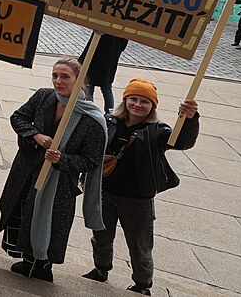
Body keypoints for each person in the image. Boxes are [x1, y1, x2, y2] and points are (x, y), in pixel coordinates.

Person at [82, 79, 200, 296]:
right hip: (104, 191)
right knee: (101, 236)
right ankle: (100, 269)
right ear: (125, 100)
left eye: (144, 101)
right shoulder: (109, 121)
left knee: (139, 244)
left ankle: (142, 284)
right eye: (133, 99)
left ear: (152, 106)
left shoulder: (157, 131)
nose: (137, 104)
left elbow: (182, 142)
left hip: (137, 198)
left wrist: (190, 119)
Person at [0, 58, 107, 281]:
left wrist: (62, 159)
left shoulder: (91, 118)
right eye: (55, 75)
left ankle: (43, 268)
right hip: (27, 173)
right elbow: (18, 118)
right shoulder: (43, 96)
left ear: (80, 80)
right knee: (23, 215)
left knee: (48, 223)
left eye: (65, 76)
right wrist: (34, 135)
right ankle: (28, 262)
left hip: (58, 185)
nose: (58, 81)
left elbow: (91, 160)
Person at [83, 33, 129, 113]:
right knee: (106, 88)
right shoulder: (123, 32)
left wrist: (82, 59)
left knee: (89, 88)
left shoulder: (103, 29)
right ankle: (109, 112)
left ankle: (91, 111)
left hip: (95, 62)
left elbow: (91, 45)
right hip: (110, 63)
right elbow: (123, 46)